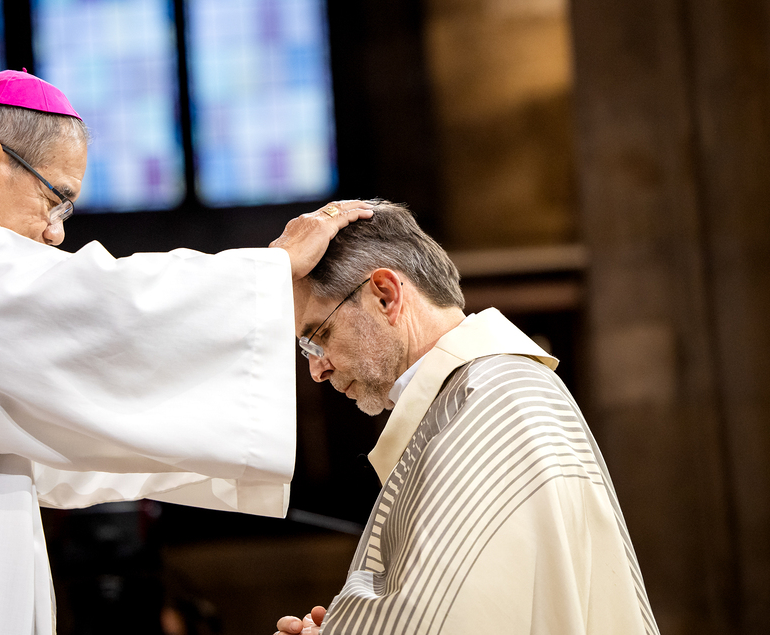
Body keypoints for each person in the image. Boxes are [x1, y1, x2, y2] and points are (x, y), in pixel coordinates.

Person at [0, 69, 373, 635]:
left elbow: (52, 418)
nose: (57, 232)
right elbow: (91, 307)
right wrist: (267, 271)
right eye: (56, 199)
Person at [275, 201, 659, 635]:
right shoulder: (468, 399)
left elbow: (445, 621)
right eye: (307, 350)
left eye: (319, 335)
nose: (317, 369)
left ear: (385, 295)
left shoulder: (492, 400)